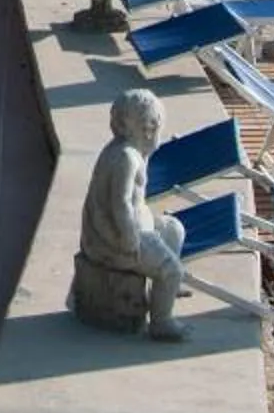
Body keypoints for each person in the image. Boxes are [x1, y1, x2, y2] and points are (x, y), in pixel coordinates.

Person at [72, 89, 188, 339]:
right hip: (116, 241)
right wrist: (129, 241)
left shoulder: (127, 151)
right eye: (153, 126)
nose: (156, 132)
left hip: (128, 229)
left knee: (173, 228)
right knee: (172, 270)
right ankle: (161, 322)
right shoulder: (126, 158)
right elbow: (121, 204)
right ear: (141, 129)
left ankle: (164, 292)